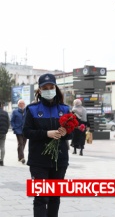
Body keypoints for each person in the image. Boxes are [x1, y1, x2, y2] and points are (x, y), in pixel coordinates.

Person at [23, 73, 72, 217]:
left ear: (56, 88)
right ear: (40, 90)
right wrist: (46, 134)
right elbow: (26, 132)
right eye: (45, 87)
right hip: (39, 161)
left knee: (55, 197)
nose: (49, 90)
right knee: (41, 197)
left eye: (51, 87)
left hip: (60, 161)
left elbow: (70, 135)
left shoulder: (65, 109)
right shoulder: (32, 109)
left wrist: (65, 133)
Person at [10, 99, 27, 164]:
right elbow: (12, 121)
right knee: (20, 143)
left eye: (23, 103)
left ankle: (19, 157)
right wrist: (14, 127)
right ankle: (22, 158)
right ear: (18, 105)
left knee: (23, 143)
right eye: (20, 103)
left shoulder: (27, 111)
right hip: (18, 130)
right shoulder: (15, 112)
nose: (22, 104)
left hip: (25, 130)